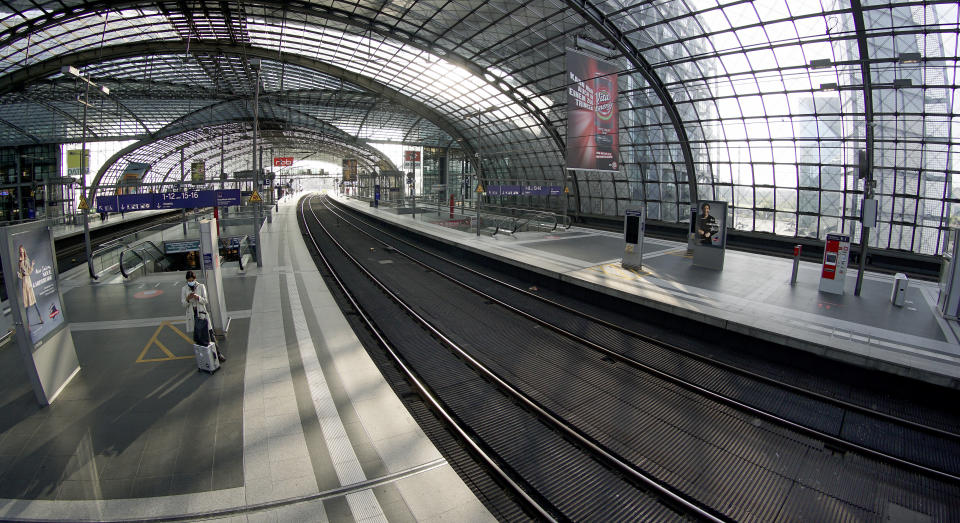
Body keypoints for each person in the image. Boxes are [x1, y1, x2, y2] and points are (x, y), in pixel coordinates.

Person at [181, 271, 225, 362]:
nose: (191, 282)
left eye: (192, 280)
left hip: (202, 314)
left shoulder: (201, 286)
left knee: (210, 334)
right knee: (198, 338)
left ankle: (218, 354)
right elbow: (183, 304)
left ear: (195, 279)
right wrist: (188, 299)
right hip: (193, 316)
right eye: (189, 281)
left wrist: (198, 297)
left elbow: (205, 301)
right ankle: (204, 358)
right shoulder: (184, 289)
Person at [17, 245, 43, 332]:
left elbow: (29, 272)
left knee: (34, 301)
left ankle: (41, 318)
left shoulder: (27, 260)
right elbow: (21, 274)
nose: (22, 253)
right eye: (20, 251)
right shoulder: (19, 262)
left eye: (23, 251)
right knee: (27, 305)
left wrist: (32, 265)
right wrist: (20, 274)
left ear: (24, 252)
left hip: (28, 281)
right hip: (24, 282)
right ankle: (28, 326)